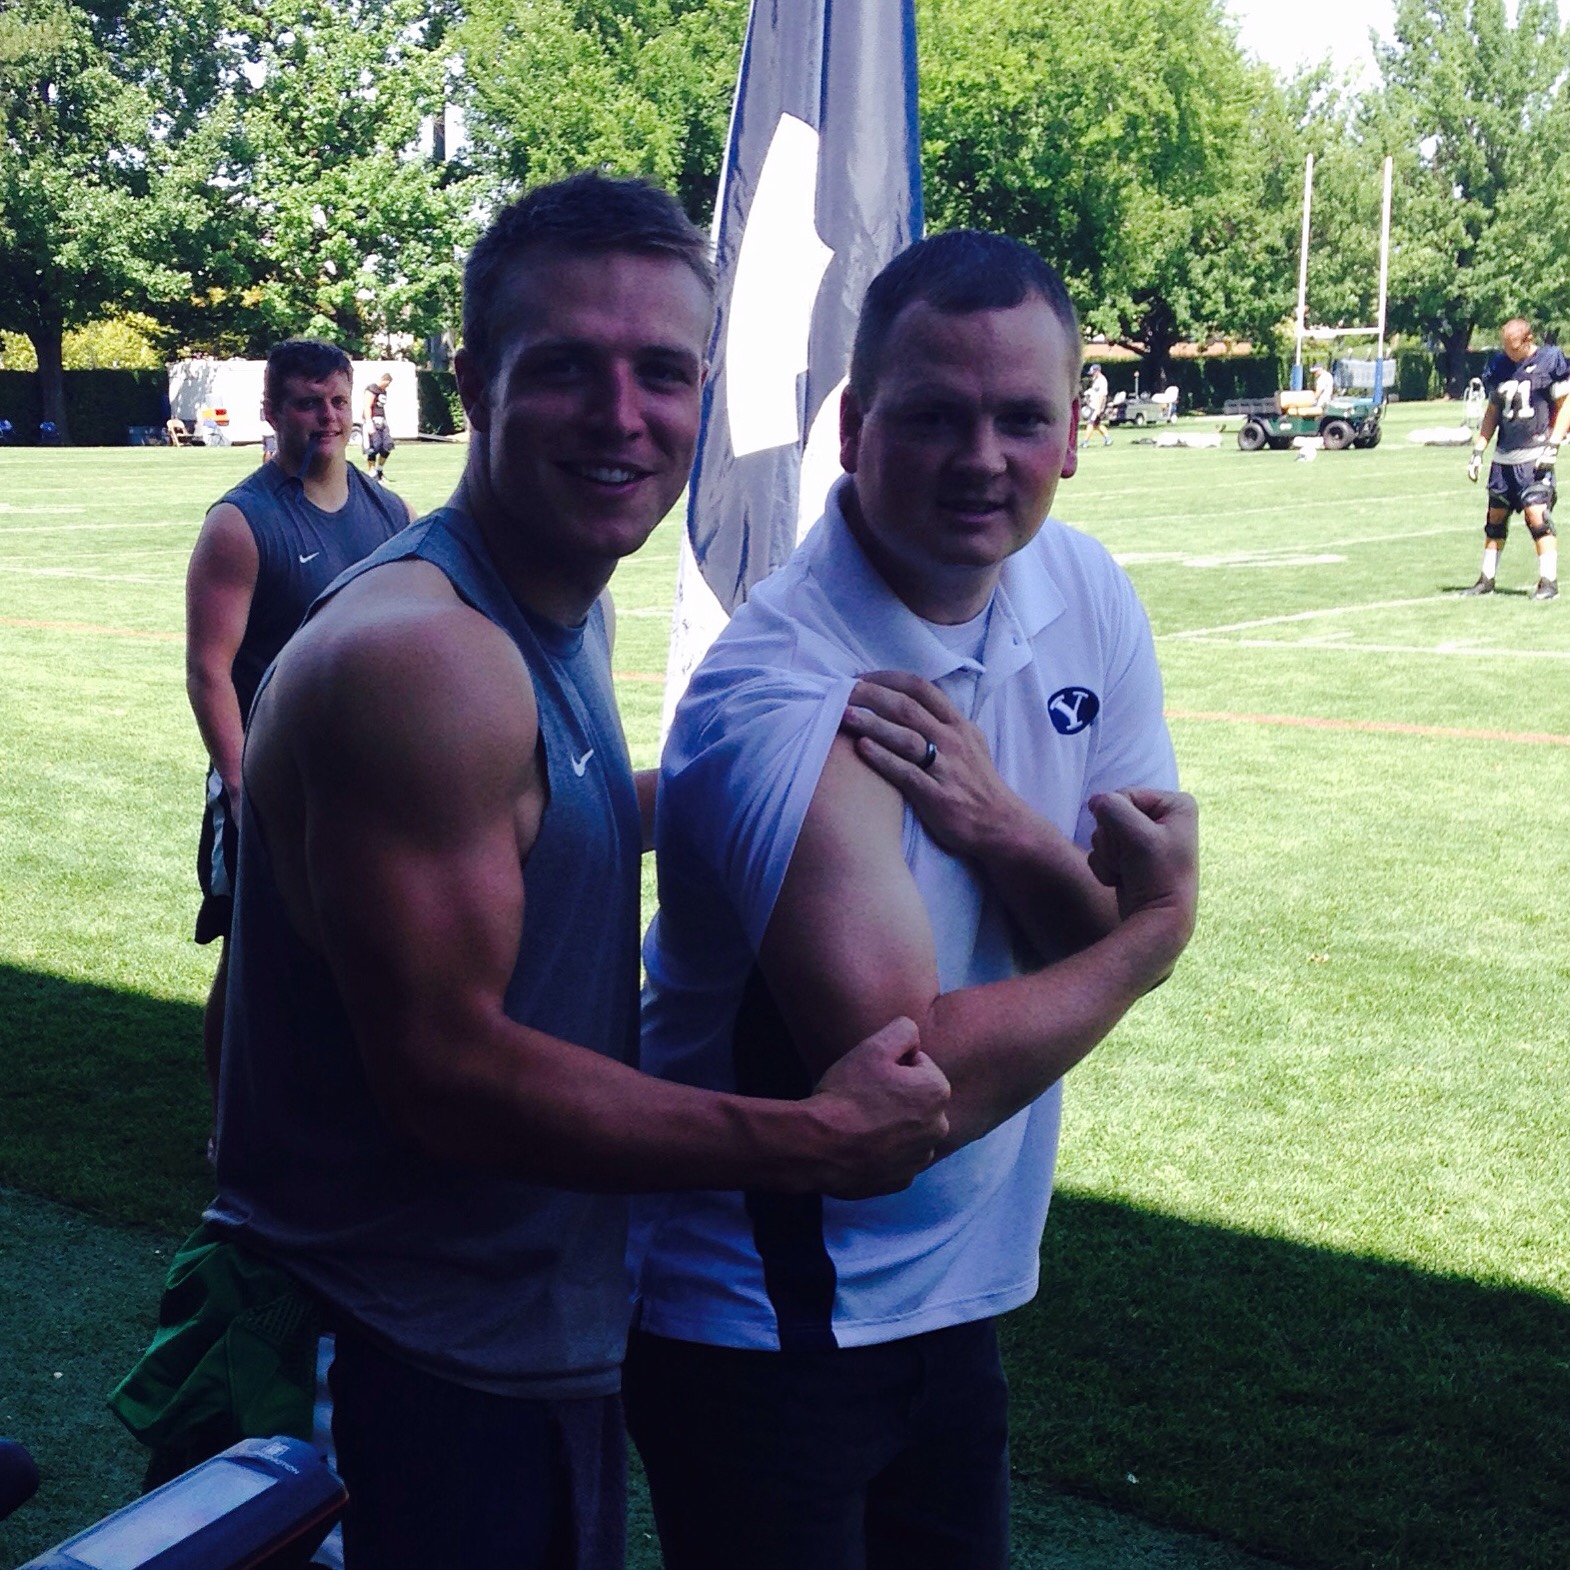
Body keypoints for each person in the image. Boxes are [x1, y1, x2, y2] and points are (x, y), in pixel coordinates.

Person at [205, 173, 950, 1570]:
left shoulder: (551, 613)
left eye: (661, 372)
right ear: (475, 383)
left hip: (497, 1341)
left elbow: (556, 816)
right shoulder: (429, 657)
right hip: (392, 1365)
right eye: (564, 369)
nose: (621, 415)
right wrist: (809, 1137)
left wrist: (790, 743)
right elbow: (450, 1074)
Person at [624, 229, 1199, 1570]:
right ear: (853, 429)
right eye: (933, 415)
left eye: (1021, 418)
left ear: (1074, 435)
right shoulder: (786, 685)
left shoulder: (1083, 590)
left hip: (959, 1287)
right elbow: (906, 1093)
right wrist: (1155, 939)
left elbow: (1080, 916)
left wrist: (1001, 830)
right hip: (764, 1314)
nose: (980, 457)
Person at [184, 339, 414, 1130]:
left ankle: (352, 1115)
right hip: (270, 782)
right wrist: (241, 785)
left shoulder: (391, 514)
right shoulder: (240, 524)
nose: (327, 418)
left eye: (337, 401)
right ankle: (229, 1126)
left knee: (367, 943)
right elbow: (209, 671)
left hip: (363, 784)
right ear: (272, 412)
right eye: (308, 403)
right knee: (251, 953)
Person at [1462, 317, 1570, 600]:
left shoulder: (1549, 360)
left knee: (1537, 516)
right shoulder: (1499, 365)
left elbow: (1565, 404)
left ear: (1529, 340)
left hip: (1535, 455)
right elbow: (1492, 411)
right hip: (1504, 457)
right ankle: (1486, 579)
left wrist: (1554, 444)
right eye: (1506, 347)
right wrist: (1479, 449)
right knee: (1494, 519)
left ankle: (1548, 582)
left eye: (1514, 347)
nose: (1509, 353)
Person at [361, 371, 395, 481]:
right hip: (372, 421)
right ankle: (372, 473)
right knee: (373, 448)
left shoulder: (383, 391)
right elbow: (367, 406)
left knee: (387, 446)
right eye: (387, 383)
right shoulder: (372, 389)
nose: (387, 386)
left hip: (382, 422)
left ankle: (380, 471)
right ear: (384, 380)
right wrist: (369, 422)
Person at [1082, 360, 1111, 446]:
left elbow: (1102, 395)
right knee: (1096, 424)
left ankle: (1085, 442)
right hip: (1093, 404)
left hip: (1097, 406)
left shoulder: (1102, 380)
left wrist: (1099, 408)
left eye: (1093, 372)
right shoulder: (1096, 380)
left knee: (1090, 422)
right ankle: (1108, 439)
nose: (1092, 374)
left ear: (1097, 371)